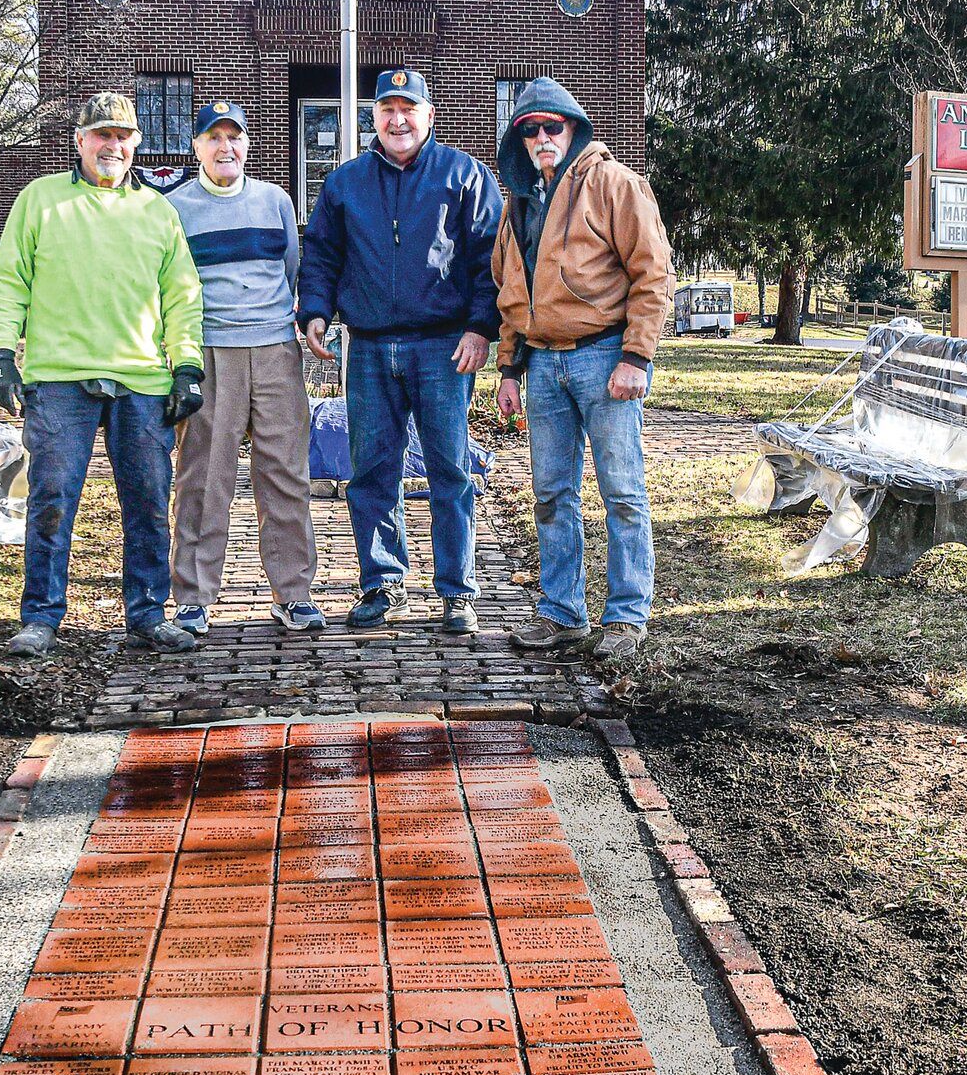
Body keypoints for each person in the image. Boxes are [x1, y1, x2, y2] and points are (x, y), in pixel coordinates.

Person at [0, 91, 205, 658]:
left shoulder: (157, 211)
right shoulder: (40, 201)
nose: (112, 145)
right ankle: (41, 617)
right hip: (59, 377)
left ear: (135, 144)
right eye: (101, 135)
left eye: (122, 136)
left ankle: (149, 614)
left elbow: (181, 297)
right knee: (53, 496)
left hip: (142, 380)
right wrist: (0, 355)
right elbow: (10, 281)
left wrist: (186, 367)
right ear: (80, 141)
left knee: (149, 499)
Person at [298, 69, 502, 635]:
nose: (398, 119)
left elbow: (490, 259)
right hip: (366, 348)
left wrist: (481, 327)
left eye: (409, 108)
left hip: (443, 346)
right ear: (375, 119)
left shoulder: (464, 175)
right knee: (372, 471)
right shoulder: (345, 184)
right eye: (387, 108)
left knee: (449, 471)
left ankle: (458, 592)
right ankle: (381, 582)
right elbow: (320, 254)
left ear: (429, 116)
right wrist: (314, 311)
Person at [492, 78, 675, 661]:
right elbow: (511, 291)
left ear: (573, 128)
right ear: (519, 140)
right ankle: (561, 612)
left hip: (605, 358)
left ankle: (626, 615)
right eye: (531, 130)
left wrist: (635, 356)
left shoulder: (616, 184)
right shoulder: (517, 203)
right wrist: (510, 370)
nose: (543, 138)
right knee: (551, 494)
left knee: (622, 492)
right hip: (542, 364)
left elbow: (653, 275)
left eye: (553, 126)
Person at [166, 101, 323, 636]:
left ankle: (293, 593)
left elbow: (290, 269)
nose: (225, 147)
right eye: (214, 138)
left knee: (284, 473)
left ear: (247, 145)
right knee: (204, 478)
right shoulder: (175, 208)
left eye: (235, 138)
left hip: (276, 349)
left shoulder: (275, 201)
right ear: (197, 146)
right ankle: (193, 596)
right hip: (211, 352)